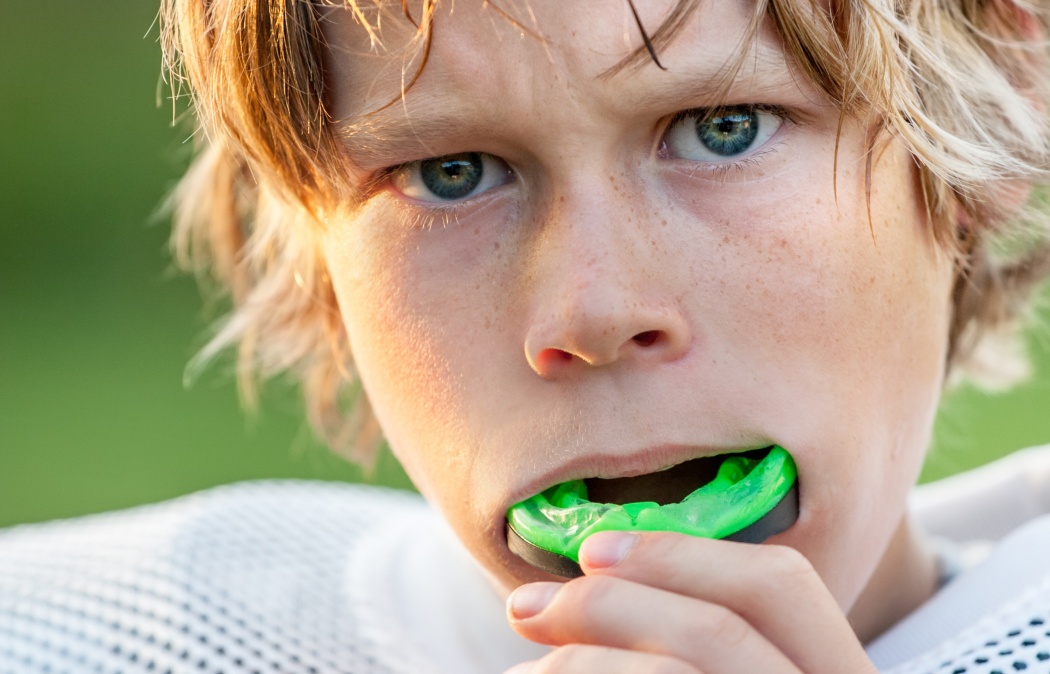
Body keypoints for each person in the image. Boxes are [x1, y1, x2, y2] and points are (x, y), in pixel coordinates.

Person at [3, 0, 1050, 672]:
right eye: (450, 172)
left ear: (1003, 93)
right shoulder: (94, 636)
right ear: (314, 247)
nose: (592, 312)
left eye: (721, 127)